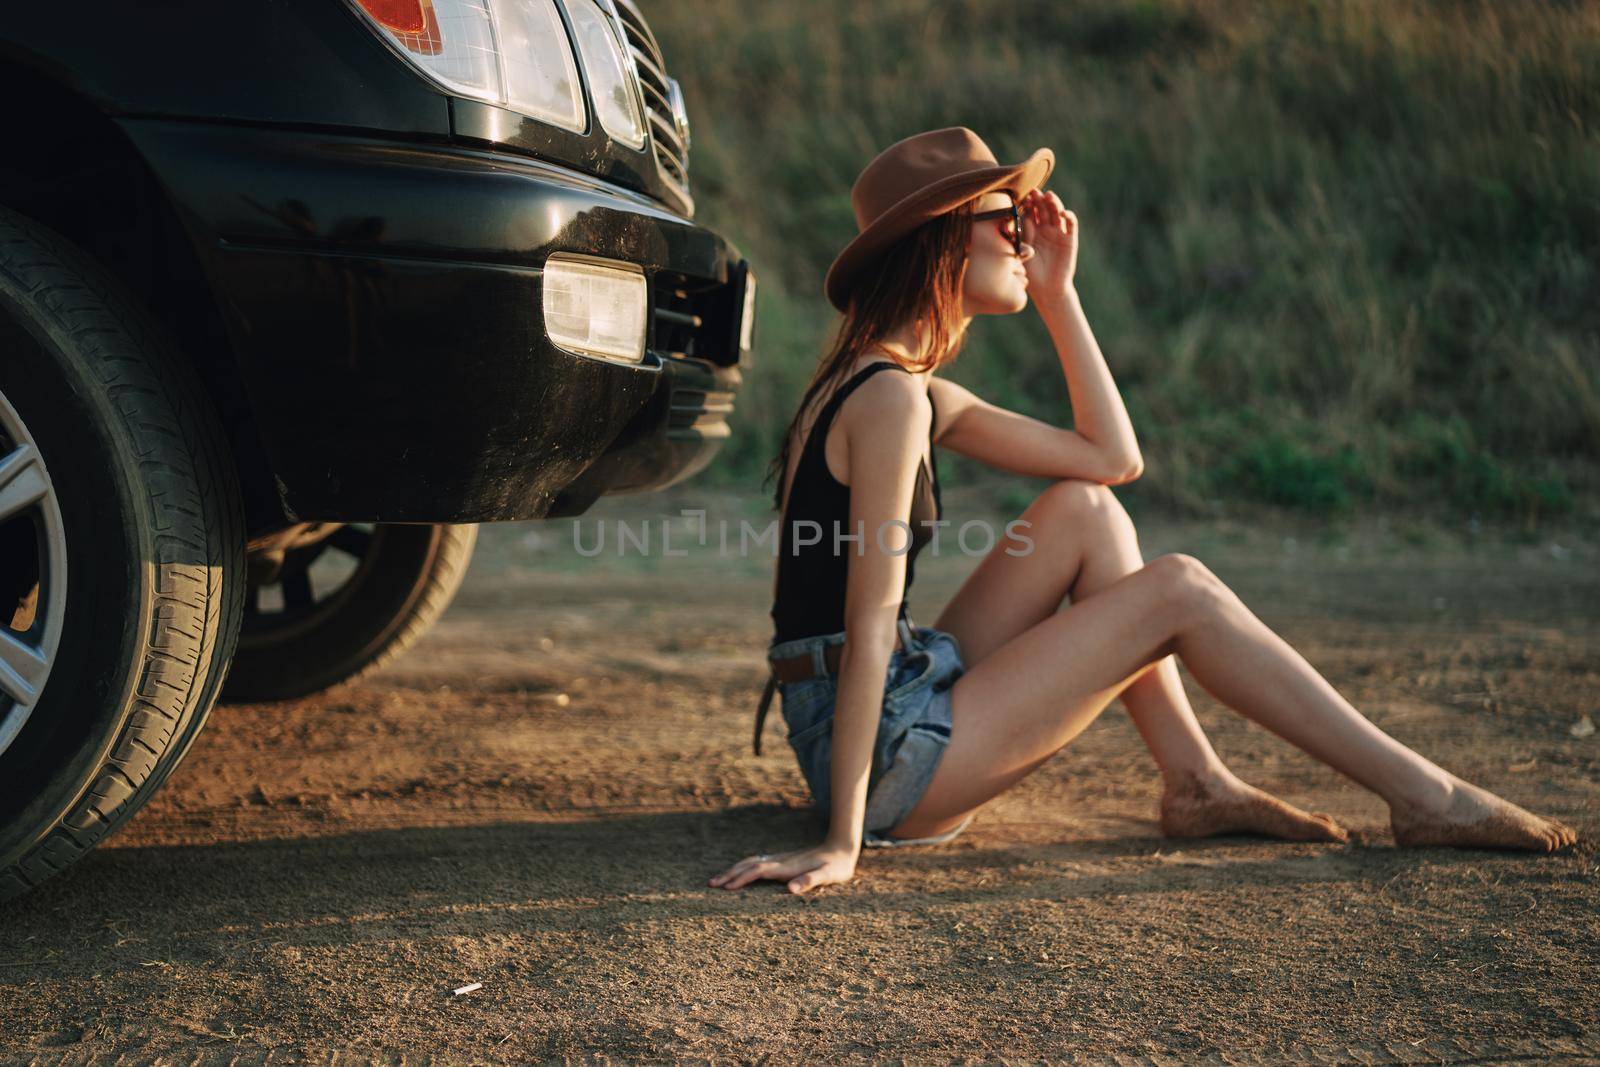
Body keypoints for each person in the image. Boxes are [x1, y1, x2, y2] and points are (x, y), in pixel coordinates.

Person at [709, 127, 1578, 896]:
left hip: (899, 687)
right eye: (1006, 222)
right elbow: (863, 625)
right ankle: (1425, 795)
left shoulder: (907, 388)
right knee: (1181, 590)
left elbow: (1113, 460)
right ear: (941, 242)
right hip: (887, 753)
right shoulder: (889, 401)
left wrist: (1059, 297)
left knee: (1085, 511)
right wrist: (841, 842)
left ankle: (1195, 779)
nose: (1024, 237)